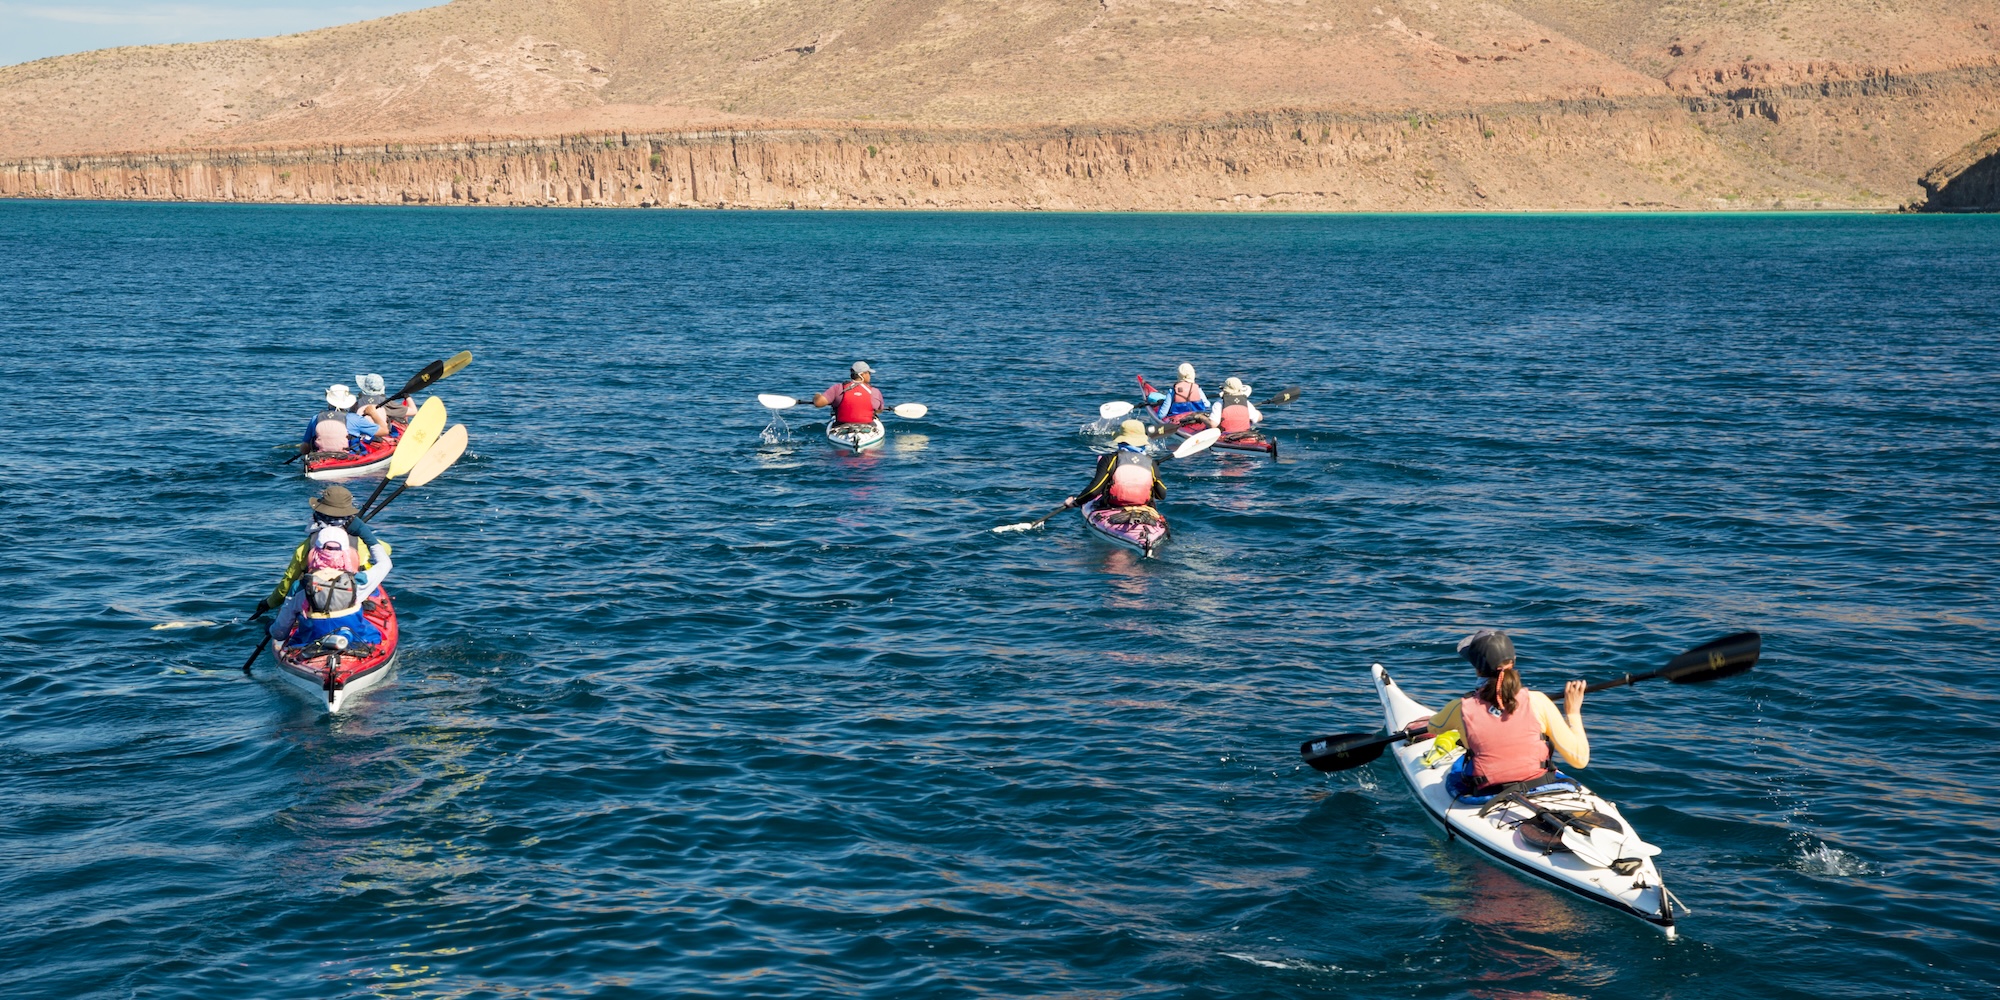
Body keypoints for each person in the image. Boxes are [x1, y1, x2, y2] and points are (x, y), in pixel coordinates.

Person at [1423, 630, 1590, 799]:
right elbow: (1580, 760)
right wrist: (1573, 712)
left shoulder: (1459, 708)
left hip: (1487, 792)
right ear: (1513, 661)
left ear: (1477, 668)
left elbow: (1433, 727)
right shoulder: (1539, 701)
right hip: (1540, 785)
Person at [256, 485, 393, 648]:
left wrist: (270, 604)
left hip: (313, 607)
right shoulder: (360, 574)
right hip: (356, 596)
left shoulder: (303, 557)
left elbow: (287, 585)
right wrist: (364, 532)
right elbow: (385, 554)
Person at [1066, 419, 1171, 521]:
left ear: (1121, 439)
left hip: (1112, 506)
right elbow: (1161, 495)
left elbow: (1095, 490)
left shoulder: (1110, 459)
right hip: (1142, 510)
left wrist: (1076, 502)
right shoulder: (1150, 462)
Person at [300, 384, 390, 457]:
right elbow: (384, 431)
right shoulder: (354, 419)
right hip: (347, 458)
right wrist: (373, 413)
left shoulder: (316, 418)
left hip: (319, 458)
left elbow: (304, 448)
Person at [813, 361, 884, 427]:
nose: (870, 375)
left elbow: (818, 403)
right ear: (862, 374)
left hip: (841, 426)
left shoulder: (838, 388)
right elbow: (879, 410)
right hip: (867, 426)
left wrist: (817, 395)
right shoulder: (875, 391)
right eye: (869, 373)